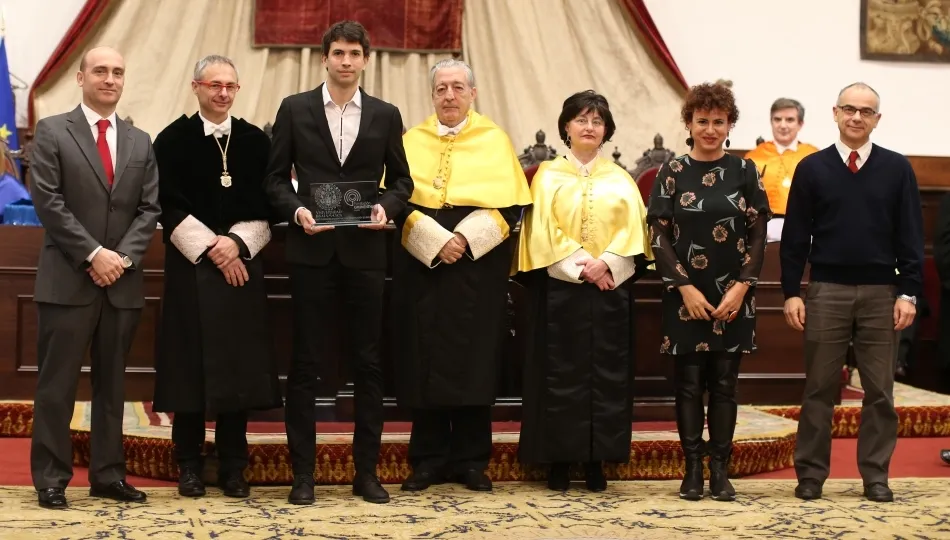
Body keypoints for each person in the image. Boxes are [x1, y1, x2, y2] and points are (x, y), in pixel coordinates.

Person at [263, 20, 414, 505]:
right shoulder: (294, 108)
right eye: (338, 53)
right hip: (311, 252)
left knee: (369, 366)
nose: (346, 61)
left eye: (354, 53)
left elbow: (402, 183)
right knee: (305, 365)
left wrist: (386, 209)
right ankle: (302, 476)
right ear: (324, 58)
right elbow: (273, 181)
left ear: (366, 60)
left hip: (366, 256)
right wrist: (297, 210)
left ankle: (365, 474)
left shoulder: (387, 114)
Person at [28, 46, 160, 509]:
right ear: (80, 78)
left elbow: (149, 210)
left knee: (114, 386)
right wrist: (93, 254)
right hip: (68, 281)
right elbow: (47, 200)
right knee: (56, 385)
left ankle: (108, 475)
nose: (109, 78)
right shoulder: (51, 131)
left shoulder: (140, 140)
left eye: (118, 72)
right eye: (100, 70)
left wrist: (120, 259)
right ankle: (50, 478)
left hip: (121, 283)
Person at [392, 59, 531, 493]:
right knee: (425, 358)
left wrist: (465, 240)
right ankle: (428, 460)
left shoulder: (495, 140)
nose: (449, 96)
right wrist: (434, 240)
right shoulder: (410, 140)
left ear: (472, 93)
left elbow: (511, 207)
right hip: (424, 265)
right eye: (441, 89)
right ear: (432, 95)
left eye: (457, 87)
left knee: (475, 358)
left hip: (477, 267)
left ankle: (472, 460)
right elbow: (395, 200)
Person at [781, 82, 923, 503]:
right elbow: (794, 238)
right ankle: (810, 475)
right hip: (827, 292)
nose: (857, 117)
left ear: (877, 119)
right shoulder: (813, 169)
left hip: (883, 293)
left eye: (866, 111)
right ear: (835, 113)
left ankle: (875, 476)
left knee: (880, 391)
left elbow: (911, 237)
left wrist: (909, 293)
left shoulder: (898, 169)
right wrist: (792, 292)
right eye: (849, 109)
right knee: (820, 388)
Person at [151, 55, 281, 499]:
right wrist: (213, 247)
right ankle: (187, 464)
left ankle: (233, 467)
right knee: (188, 371)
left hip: (241, 272)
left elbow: (271, 204)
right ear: (196, 87)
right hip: (191, 270)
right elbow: (165, 204)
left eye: (230, 85)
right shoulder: (172, 140)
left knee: (237, 373)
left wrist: (237, 246)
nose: (222, 93)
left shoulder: (255, 142)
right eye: (214, 85)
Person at [515, 90, 651, 492]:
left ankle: (597, 460)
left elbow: (635, 230)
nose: (589, 127)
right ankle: (558, 460)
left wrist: (607, 263)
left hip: (610, 292)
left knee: (606, 376)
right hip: (560, 292)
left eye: (597, 121)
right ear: (566, 127)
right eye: (581, 120)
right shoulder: (547, 176)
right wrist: (582, 266)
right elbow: (540, 230)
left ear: (606, 129)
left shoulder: (621, 179)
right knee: (560, 374)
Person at [646, 82, 771, 502]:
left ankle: (720, 469)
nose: (711, 129)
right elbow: (658, 234)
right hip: (685, 296)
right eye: (702, 121)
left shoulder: (745, 171)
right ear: (688, 123)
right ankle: (692, 470)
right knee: (687, 385)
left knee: (724, 385)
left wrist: (742, 288)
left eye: (719, 122)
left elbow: (758, 235)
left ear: (730, 124)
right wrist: (683, 287)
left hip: (733, 295)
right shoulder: (672, 172)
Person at [743, 98, 819, 242]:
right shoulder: (754, 156)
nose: (783, 125)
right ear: (771, 122)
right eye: (777, 119)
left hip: (804, 226)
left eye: (790, 120)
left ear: (800, 124)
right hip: (762, 226)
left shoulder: (813, 156)